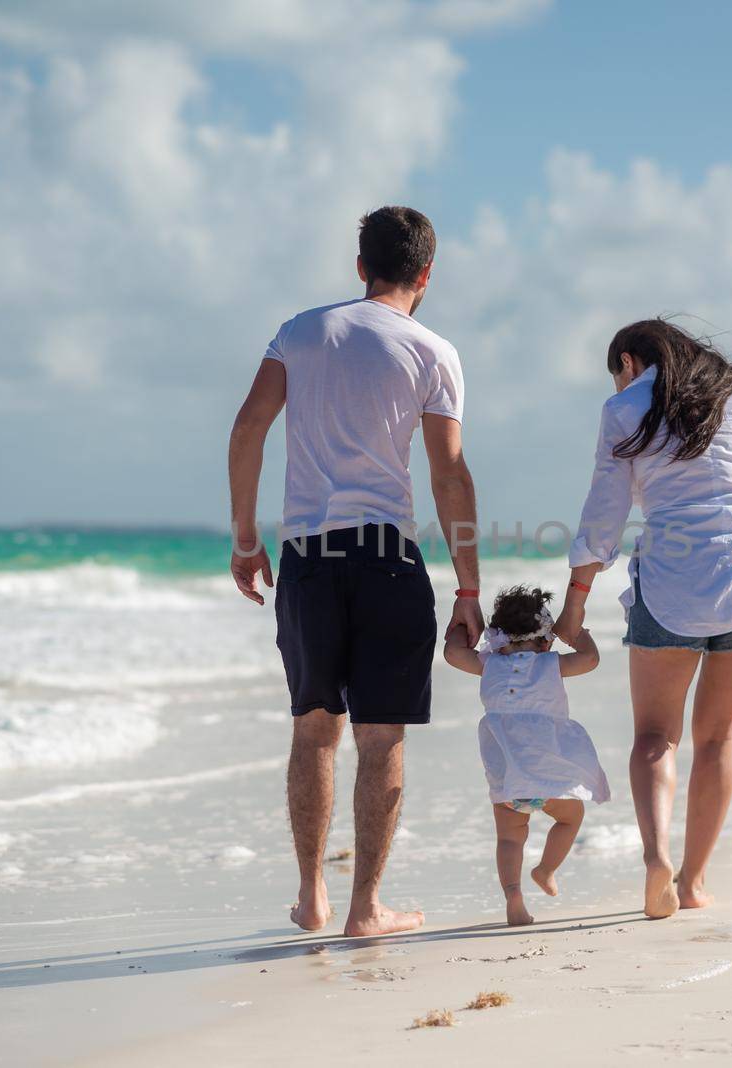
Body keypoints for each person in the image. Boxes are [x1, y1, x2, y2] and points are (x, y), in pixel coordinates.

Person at [226, 206, 484, 938]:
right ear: (426, 274)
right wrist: (468, 585)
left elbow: (248, 428)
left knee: (313, 729)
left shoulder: (299, 332)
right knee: (382, 737)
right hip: (385, 560)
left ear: (360, 263)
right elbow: (449, 474)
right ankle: (366, 909)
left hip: (307, 556)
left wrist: (246, 537)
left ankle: (312, 897)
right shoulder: (433, 350)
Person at [554, 318, 732, 919]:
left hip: (673, 583)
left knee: (656, 738)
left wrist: (576, 598)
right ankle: (692, 882)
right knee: (717, 739)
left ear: (629, 361)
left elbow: (603, 514)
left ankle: (657, 857)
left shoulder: (624, 406)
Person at [443, 585, 610, 927]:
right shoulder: (550, 664)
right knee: (569, 818)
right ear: (547, 640)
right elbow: (591, 660)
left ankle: (513, 895)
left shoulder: (487, 664)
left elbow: (452, 653)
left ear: (496, 637)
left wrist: (462, 626)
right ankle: (546, 870)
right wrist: (578, 632)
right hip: (547, 782)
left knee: (509, 838)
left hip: (507, 782)